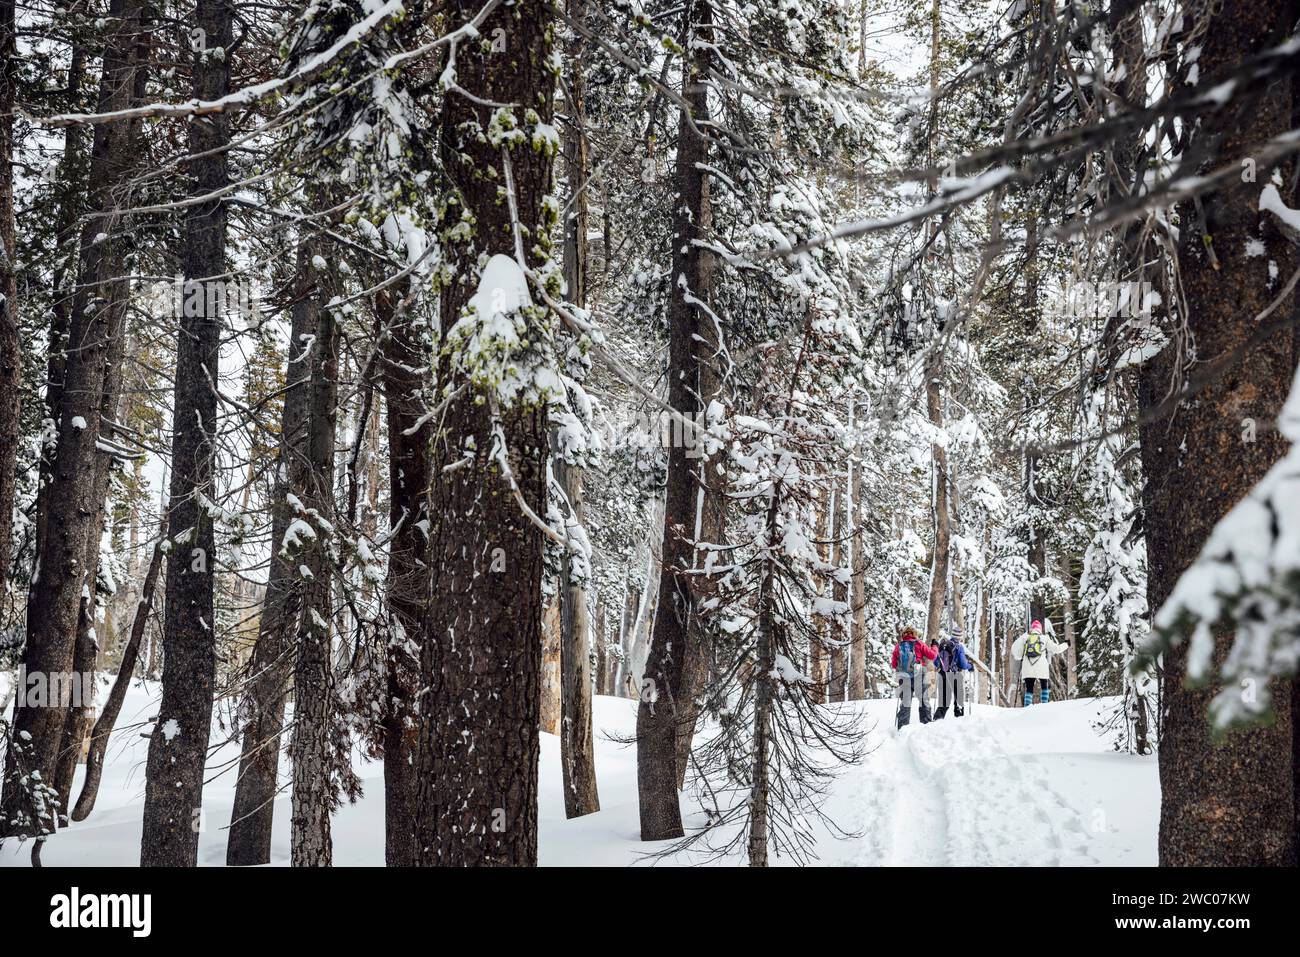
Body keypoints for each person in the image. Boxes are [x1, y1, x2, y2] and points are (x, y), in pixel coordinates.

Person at [1011, 619, 1067, 706]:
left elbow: (1017, 653)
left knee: (1029, 688)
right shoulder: (1044, 638)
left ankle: (1027, 708)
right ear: (1040, 629)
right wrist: (1066, 644)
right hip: (1042, 667)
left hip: (1028, 667)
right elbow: (1056, 649)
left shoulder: (1025, 638)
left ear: (1032, 629)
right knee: (1044, 687)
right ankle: (1044, 705)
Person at [891, 626, 937, 728]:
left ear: (904, 635)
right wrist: (934, 646)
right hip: (919, 675)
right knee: (923, 700)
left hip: (904, 677)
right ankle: (926, 726)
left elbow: (894, 664)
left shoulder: (898, 646)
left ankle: (902, 728)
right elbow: (932, 655)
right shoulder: (919, 643)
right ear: (914, 634)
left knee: (906, 702)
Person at [934, 626, 975, 719]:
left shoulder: (943, 645)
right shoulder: (959, 647)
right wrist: (970, 666)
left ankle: (937, 721)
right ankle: (959, 722)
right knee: (959, 700)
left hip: (943, 675)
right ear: (960, 636)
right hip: (955, 675)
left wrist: (942, 668)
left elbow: (935, 662)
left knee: (944, 701)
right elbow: (964, 664)